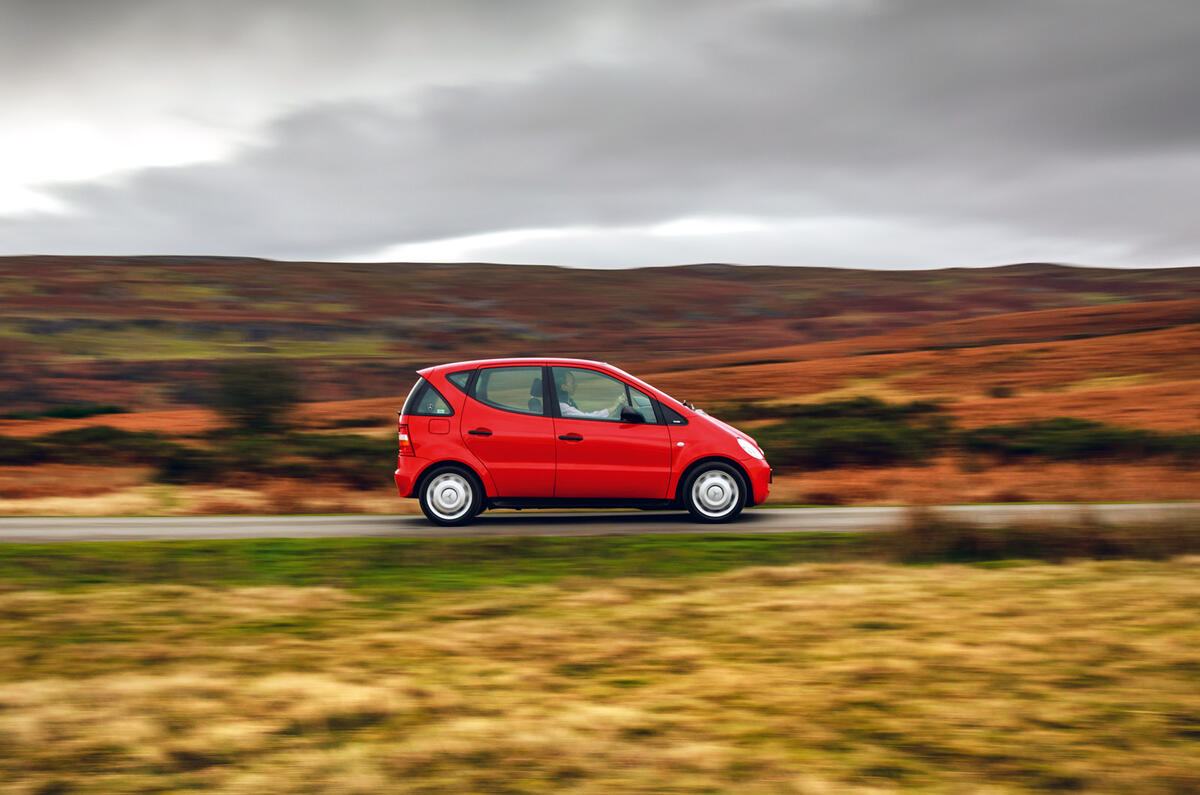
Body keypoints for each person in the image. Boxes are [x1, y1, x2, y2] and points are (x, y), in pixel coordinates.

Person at [556, 370, 626, 419]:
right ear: (564, 387)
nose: (575, 385)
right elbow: (586, 418)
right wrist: (614, 406)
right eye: (572, 383)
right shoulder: (562, 407)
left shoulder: (568, 402)